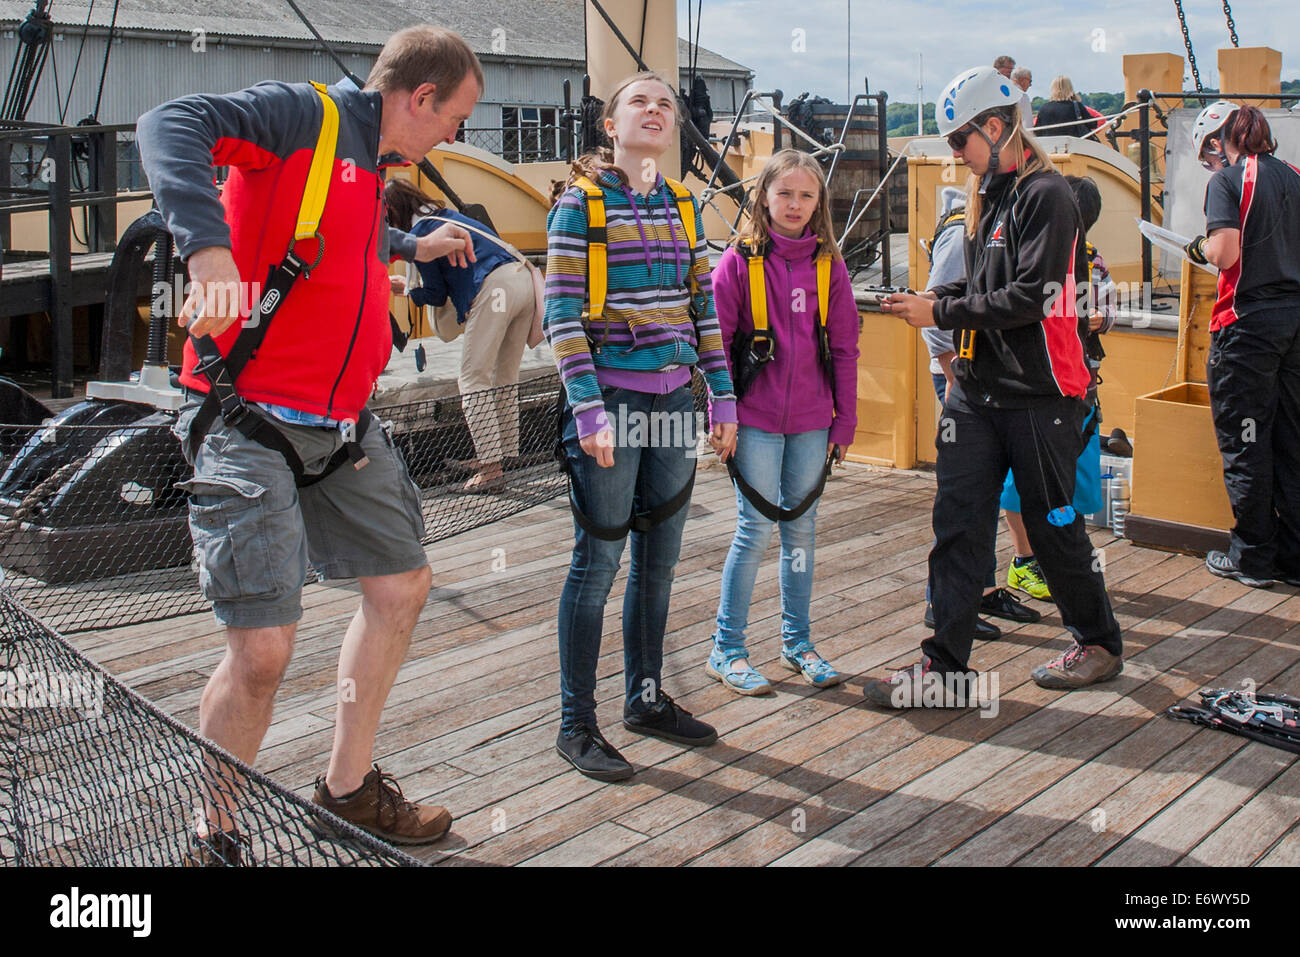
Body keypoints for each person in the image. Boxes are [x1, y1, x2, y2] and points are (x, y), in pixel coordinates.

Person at [137, 24, 482, 862]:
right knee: (263, 648)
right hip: (248, 414)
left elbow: (331, 238)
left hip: (342, 423)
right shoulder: (304, 117)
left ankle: (347, 788)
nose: (455, 138)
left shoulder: (373, 167)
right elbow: (167, 122)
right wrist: (207, 250)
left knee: (401, 585)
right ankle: (214, 832)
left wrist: (410, 244)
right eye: (456, 118)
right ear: (421, 98)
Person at [868, 65, 1124, 707]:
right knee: (958, 522)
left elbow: (1032, 296)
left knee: (1055, 522)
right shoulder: (990, 197)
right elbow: (984, 286)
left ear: (996, 126)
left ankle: (1098, 642)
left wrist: (942, 313)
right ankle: (944, 667)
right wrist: (930, 297)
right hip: (977, 395)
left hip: (1039, 396)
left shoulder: (1047, 195)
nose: (954, 153)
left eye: (959, 140)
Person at [544, 71, 738, 780]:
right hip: (615, 408)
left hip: (674, 405)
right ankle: (576, 722)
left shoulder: (683, 207)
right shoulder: (580, 207)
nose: (655, 111)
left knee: (658, 564)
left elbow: (703, 312)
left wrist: (723, 399)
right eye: (639, 102)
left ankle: (646, 699)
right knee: (597, 565)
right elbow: (561, 315)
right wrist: (588, 410)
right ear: (610, 125)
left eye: (665, 104)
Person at [705, 149, 859, 695]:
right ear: (763, 197)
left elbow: (844, 349)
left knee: (802, 529)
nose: (794, 205)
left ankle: (798, 642)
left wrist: (846, 422)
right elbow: (716, 345)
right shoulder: (738, 263)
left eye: (806, 195)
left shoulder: (829, 267)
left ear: (818, 204)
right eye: (784, 193)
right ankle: (727, 648)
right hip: (756, 418)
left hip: (814, 420)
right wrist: (721, 412)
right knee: (755, 529)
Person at [1184, 102, 1300, 588]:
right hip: (1295, 323)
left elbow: (1225, 251)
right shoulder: (1295, 174)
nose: (1210, 167)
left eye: (1208, 158)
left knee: (1245, 441)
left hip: (1247, 324)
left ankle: (1251, 556)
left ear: (1217, 143)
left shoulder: (1227, 182)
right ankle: (1294, 558)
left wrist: (1199, 246)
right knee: (1292, 441)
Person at [921, 187, 1040, 632]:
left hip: (979, 375)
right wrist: (953, 377)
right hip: (960, 375)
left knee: (982, 491)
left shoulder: (994, 224)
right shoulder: (962, 231)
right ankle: (943, 600)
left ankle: (981, 591)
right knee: (963, 496)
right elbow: (934, 309)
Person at [1000, 174, 1114, 601]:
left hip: (1080, 384)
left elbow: (1105, 312)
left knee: (1077, 476)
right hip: (1036, 387)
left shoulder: (1093, 260)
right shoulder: (1026, 254)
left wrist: (1095, 315)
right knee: (1021, 479)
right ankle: (1025, 560)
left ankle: (1065, 561)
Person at [385, 178, 536, 493]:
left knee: (472, 377)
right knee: (504, 376)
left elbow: (437, 295)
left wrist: (405, 291)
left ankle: (491, 470)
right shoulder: (449, 216)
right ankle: (502, 455)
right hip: (523, 281)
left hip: (495, 289)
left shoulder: (421, 234)